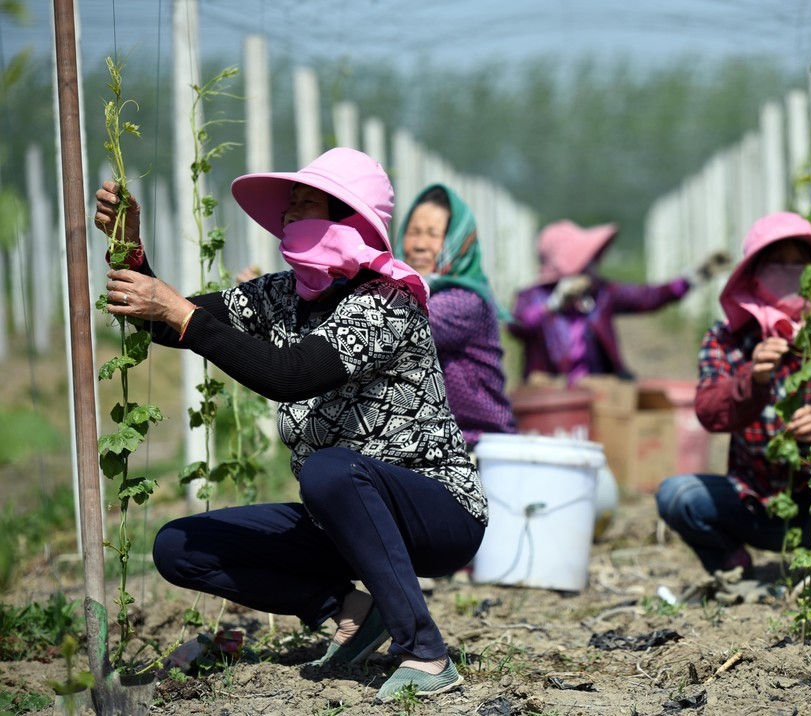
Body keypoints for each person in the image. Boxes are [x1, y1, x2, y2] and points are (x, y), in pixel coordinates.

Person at [93, 148, 482, 702]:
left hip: (438, 513)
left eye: (308, 205)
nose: (291, 217)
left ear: (349, 220)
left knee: (328, 472)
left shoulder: (388, 300)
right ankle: (348, 608)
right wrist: (129, 248)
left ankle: (424, 651)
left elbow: (290, 375)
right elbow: (170, 320)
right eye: (290, 206)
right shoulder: (281, 295)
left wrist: (181, 314)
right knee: (180, 546)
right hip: (343, 517)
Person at [655, 211, 811, 597]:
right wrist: (754, 379)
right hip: (756, 502)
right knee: (678, 496)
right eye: (777, 264)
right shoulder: (727, 339)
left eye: (801, 264)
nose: (790, 273)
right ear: (753, 275)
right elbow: (710, 411)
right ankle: (732, 567)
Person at [507, 219, 731, 386]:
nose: (593, 265)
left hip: (599, 393)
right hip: (552, 401)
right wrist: (555, 304)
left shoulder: (600, 294)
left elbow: (648, 296)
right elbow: (517, 326)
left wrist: (693, 277)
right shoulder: (533, 297)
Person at [394, 184, 517, 450]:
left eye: (433, 234)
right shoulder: (405, 294)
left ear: (459, 242)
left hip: (478, 444)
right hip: (433, 442)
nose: (419, 245)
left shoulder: (462, 301)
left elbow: (396, 328)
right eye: (413, 232)